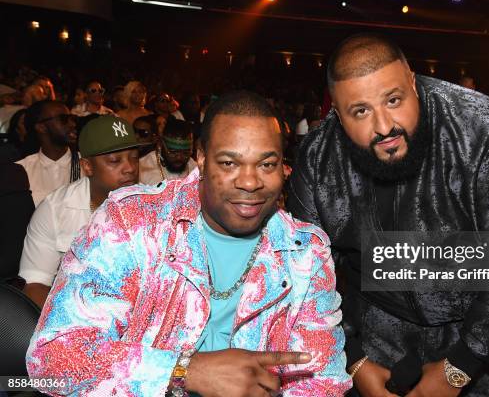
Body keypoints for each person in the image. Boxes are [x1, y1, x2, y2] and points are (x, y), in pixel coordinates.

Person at [27, 90, 350, 397]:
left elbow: (323, 380)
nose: (250, 182)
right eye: (229, 163)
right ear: (201, 158)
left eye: (267, 164)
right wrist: (184, 371)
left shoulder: (304, 253)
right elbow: (54, 359)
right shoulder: (132, 222)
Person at [287, 33, 489, 397]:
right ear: (337, 113)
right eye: (360, 111)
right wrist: (353, 359)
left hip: (483, 339)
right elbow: (305, 273)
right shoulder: (318, 157)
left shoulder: (485, 133)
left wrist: (460, 368)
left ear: (412, 80)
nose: (384, 126)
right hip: (374, 337)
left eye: (394, 100)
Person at [19, 115, 144, 308]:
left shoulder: (153, 204)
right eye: (115, 160)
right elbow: (35, 283)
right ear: (87, 166)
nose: (129, 168)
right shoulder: (55, 210)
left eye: (134, 158)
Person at [16, 100, 82, 206]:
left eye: (72, 119)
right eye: (63, 119)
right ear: (41, 127)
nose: (72, 124)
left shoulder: (89, 165)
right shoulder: (21, 170)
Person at [139, 116, 196, 185]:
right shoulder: (142, 169)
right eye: (173, 152)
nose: (179, 157)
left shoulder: (195, 168)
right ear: (160, 145)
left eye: (185, 153)